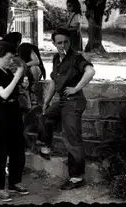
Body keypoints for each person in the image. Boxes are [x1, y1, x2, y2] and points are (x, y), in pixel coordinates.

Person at [37, 28, 95, 190]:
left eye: (66, 42)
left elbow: (91, 71)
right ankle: (46, 147)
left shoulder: (76, 58)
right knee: (45, 116)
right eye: (60, 42)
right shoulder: (57, 58)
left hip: (74, 101)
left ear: (70, 42)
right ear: (54, 44)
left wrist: (76, 88)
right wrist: (46, 101)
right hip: (63, 100)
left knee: (72, 139)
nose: (63, 45)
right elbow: (54, 82)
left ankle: (76, 178)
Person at [0, 41, 29, 202]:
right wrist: (17, 77)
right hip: (1, 113)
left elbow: (14, 91)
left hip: (14, 112)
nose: (11, 62)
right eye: (9, 58)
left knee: (18, 150)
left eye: (13, 59)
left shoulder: (7, 72)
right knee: (1, 153)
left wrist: (22, 85)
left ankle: (14, 182)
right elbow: (3, 94)